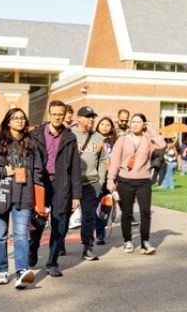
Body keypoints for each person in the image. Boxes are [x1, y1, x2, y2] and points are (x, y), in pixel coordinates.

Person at [0, 108, 44, 289]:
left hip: (24, 196)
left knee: (21, 235)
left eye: (22, 118)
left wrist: (40, 199)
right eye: (15, 118)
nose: (20, 121)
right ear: (8, 122)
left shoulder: (32, 143)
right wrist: (3, 171)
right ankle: (3, 270)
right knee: (1, 236)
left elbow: (38, 172)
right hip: (0, 196)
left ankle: (22, 272)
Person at [29, 100, 81, 278]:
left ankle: (52, 262)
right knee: (37, 222)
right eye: (55, 114)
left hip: (61, 184)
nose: (58, 117)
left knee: (60, 225)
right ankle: (33, 248)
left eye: (61, 114)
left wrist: (76, 195)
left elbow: (75, 167)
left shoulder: (70, 137)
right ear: (49, 114)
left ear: (65, 114)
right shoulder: (35, 134)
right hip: (40, 183)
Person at [107, 113, 166, 254]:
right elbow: (114, 161)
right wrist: (110, 179)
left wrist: (151, 130)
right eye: (133, 121)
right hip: (125, 181)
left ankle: (145, 242)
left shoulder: (148, 140)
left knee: (145, 212)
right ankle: (127, 241)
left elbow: (162, 144)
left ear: (144, 125)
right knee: (126, 213)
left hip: (143, 181)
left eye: (138, 122)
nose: (134, 124)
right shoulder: (122, 140)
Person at [71, 106, 106, 261]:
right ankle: (58, 246)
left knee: (89, 216)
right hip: (72, 183)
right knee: (64, 216)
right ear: (79, 118)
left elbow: (103, 159)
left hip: (91, 183)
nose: (91, 119)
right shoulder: (70, 135)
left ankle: (87, 247)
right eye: (88, 116)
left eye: (93, 116)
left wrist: (101, 178)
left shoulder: (98, 137)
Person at [95, 116, 117, 244]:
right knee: (92, 207)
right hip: (95, 178)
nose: (105, 127)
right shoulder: (92, 139)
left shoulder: (114, 142)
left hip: (109, 178)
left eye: (108, 125)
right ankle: (94, 229)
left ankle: (100, 234)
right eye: (102, 124)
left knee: (105, 207)